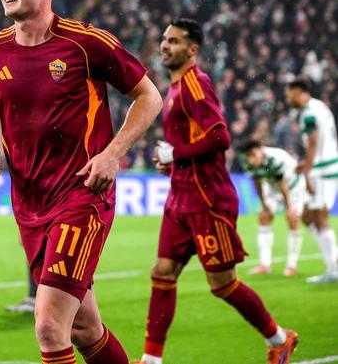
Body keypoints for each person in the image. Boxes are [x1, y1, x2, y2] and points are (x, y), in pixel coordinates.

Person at [0, 0, 162, 363]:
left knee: (48, 325)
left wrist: (113, 154)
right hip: (28, 203)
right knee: (84, 328)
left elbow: (149, 96)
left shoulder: (86, 43)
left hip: (82, 196)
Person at [133, 19, 297, 364]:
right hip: (180, 197)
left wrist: (177, 154)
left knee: (222, 284)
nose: (165, 45)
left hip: (207, 200)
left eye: (174, 41)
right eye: (164, 39)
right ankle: (151, 360)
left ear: (192, 50)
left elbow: (220, 137)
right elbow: (193, 145)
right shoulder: (175, 89)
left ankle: (280, 339)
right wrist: (172, 163)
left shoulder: (195, 83)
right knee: (162, 272)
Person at [285, 78, 338, 283]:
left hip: (322, 170)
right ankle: (333, 261)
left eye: (290, 94)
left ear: (299, 92)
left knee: (319, 216)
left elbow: (314, 141)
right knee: (307, 216)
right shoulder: (320, 106)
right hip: (323, 166)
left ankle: (334, 269)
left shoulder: (308, 113)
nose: (288, 99)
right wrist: (306, 164)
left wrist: (307, 171)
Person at [237, 140, 305, 276]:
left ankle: (291, 266)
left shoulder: (275, 158)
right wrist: (263, 204)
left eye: (253, 154)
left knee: (292, 219)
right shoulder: (246, 161)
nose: (251, 159)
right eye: (248, 156)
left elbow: (282, 183)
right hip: (273, 187)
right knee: (264, 216)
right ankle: (265, 265)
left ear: (261, 149)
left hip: (293, 188)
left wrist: (289, 207)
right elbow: (257, 181)